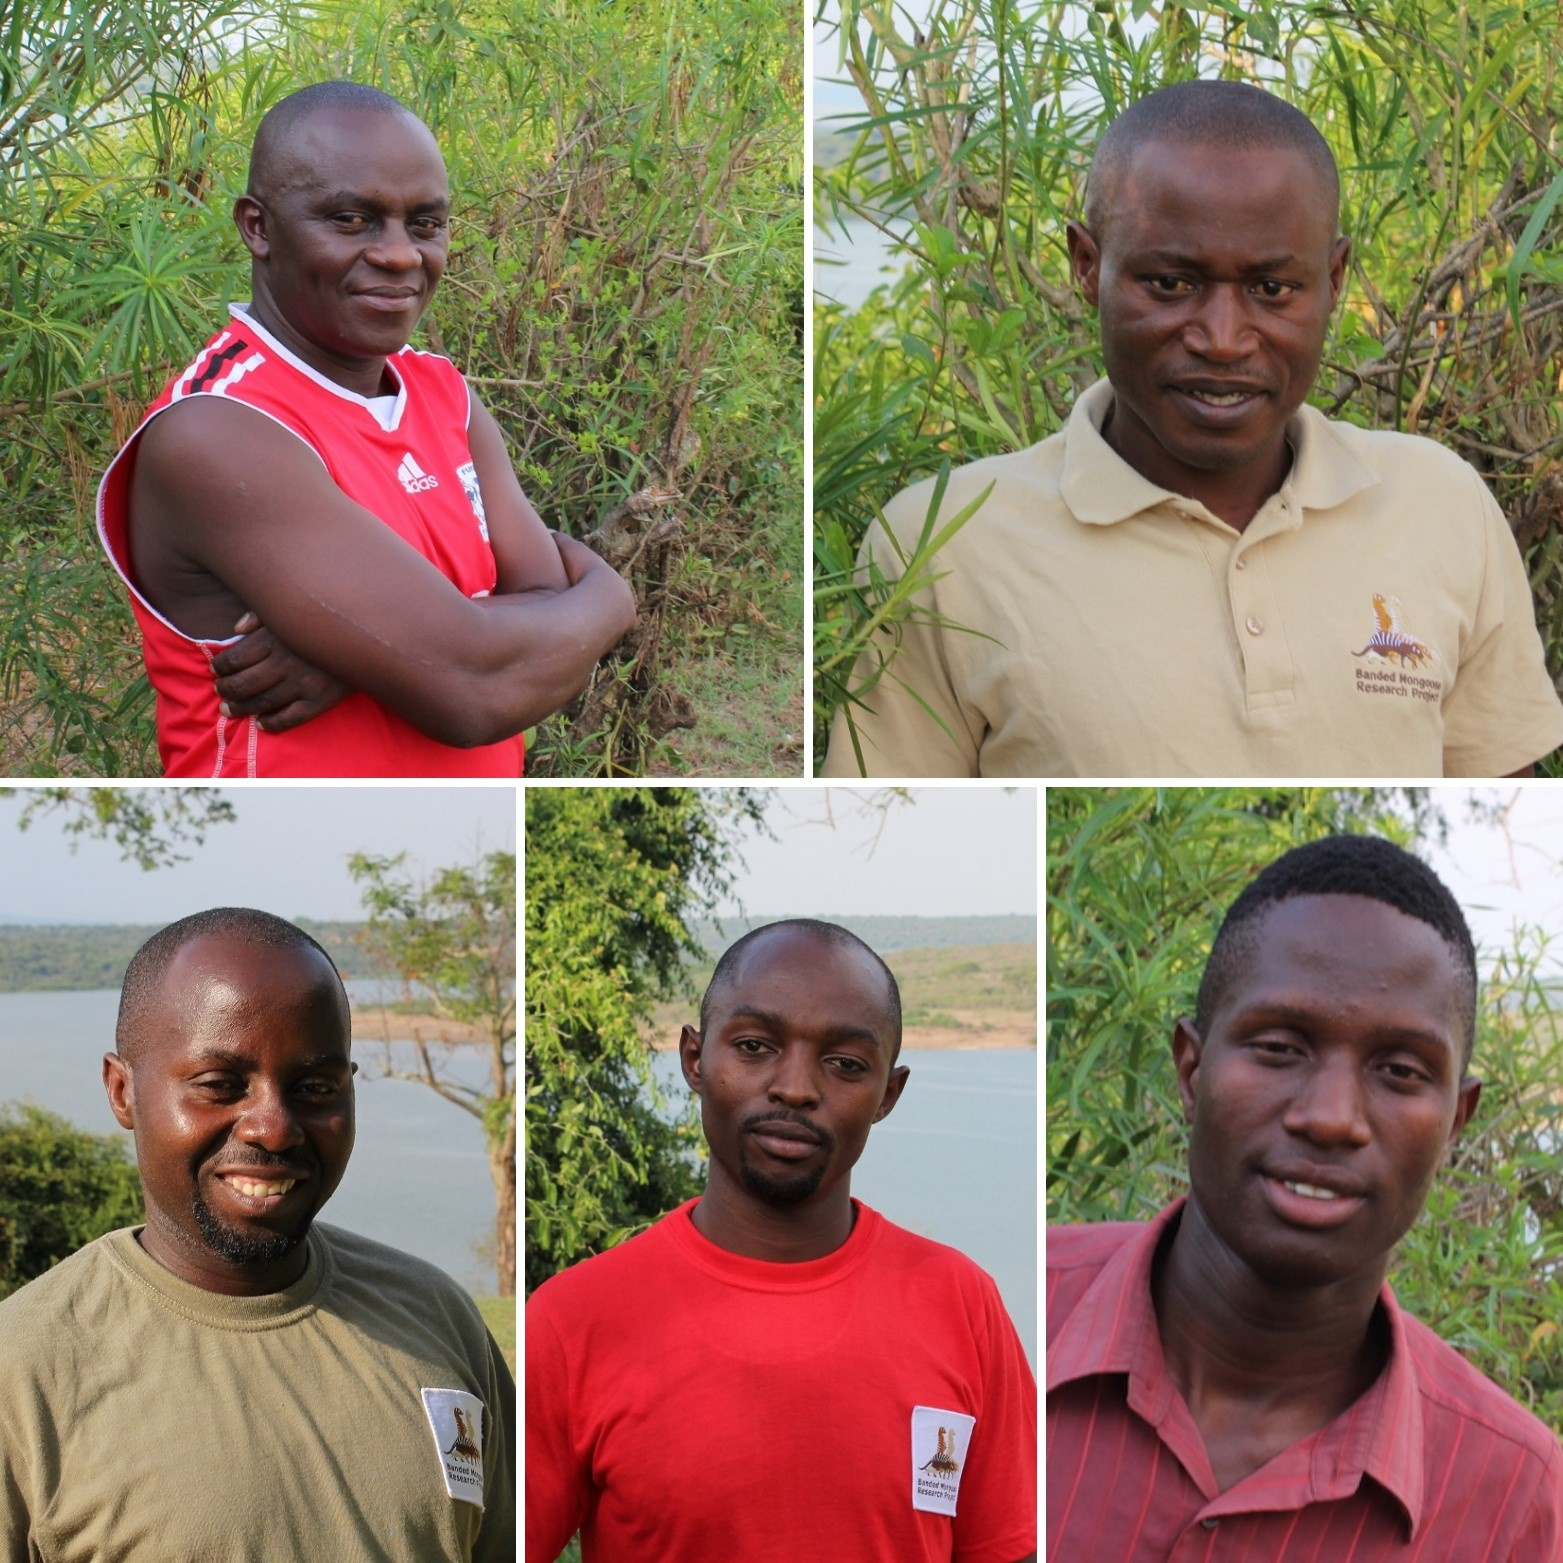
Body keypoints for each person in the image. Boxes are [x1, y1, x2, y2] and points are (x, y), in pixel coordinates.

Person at [822, 80, 1563, 778]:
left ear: (1333, 280)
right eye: (1170, 283)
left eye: (1271, 288)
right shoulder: (942, 545)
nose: (1222, 339)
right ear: (1088, 266)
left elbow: (1512, 814)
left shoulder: (1440, 505)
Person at [96, 81, 636, 777]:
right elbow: (479, 688)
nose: (400, 255)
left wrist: (371, 651)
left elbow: (532, 610)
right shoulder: (219, 428)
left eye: (426, 224)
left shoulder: (442, 392)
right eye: (351, 219)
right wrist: (610, 599)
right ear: (258, 227)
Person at [1047, 835, 1563, 1559]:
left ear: (1455, 1121)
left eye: (1400, 1069)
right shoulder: (1010, 1316)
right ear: (1191, 1070)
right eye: (1279, 1047)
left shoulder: (1512, 1495)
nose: (1330, 1117)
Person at [0, 908, 515, 1561]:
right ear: (123, 1091)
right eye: (220, 1085)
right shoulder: (24, 1371)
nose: (273, 1127)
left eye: (315, 1087)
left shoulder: (437, 1318)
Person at [526, 919, 1037, 1562]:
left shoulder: (961, 1305)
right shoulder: (575, 1320)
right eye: (754, 1047)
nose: (795, 1088)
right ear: (694, 1059)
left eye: (845, 1064)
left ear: (888, 1094)